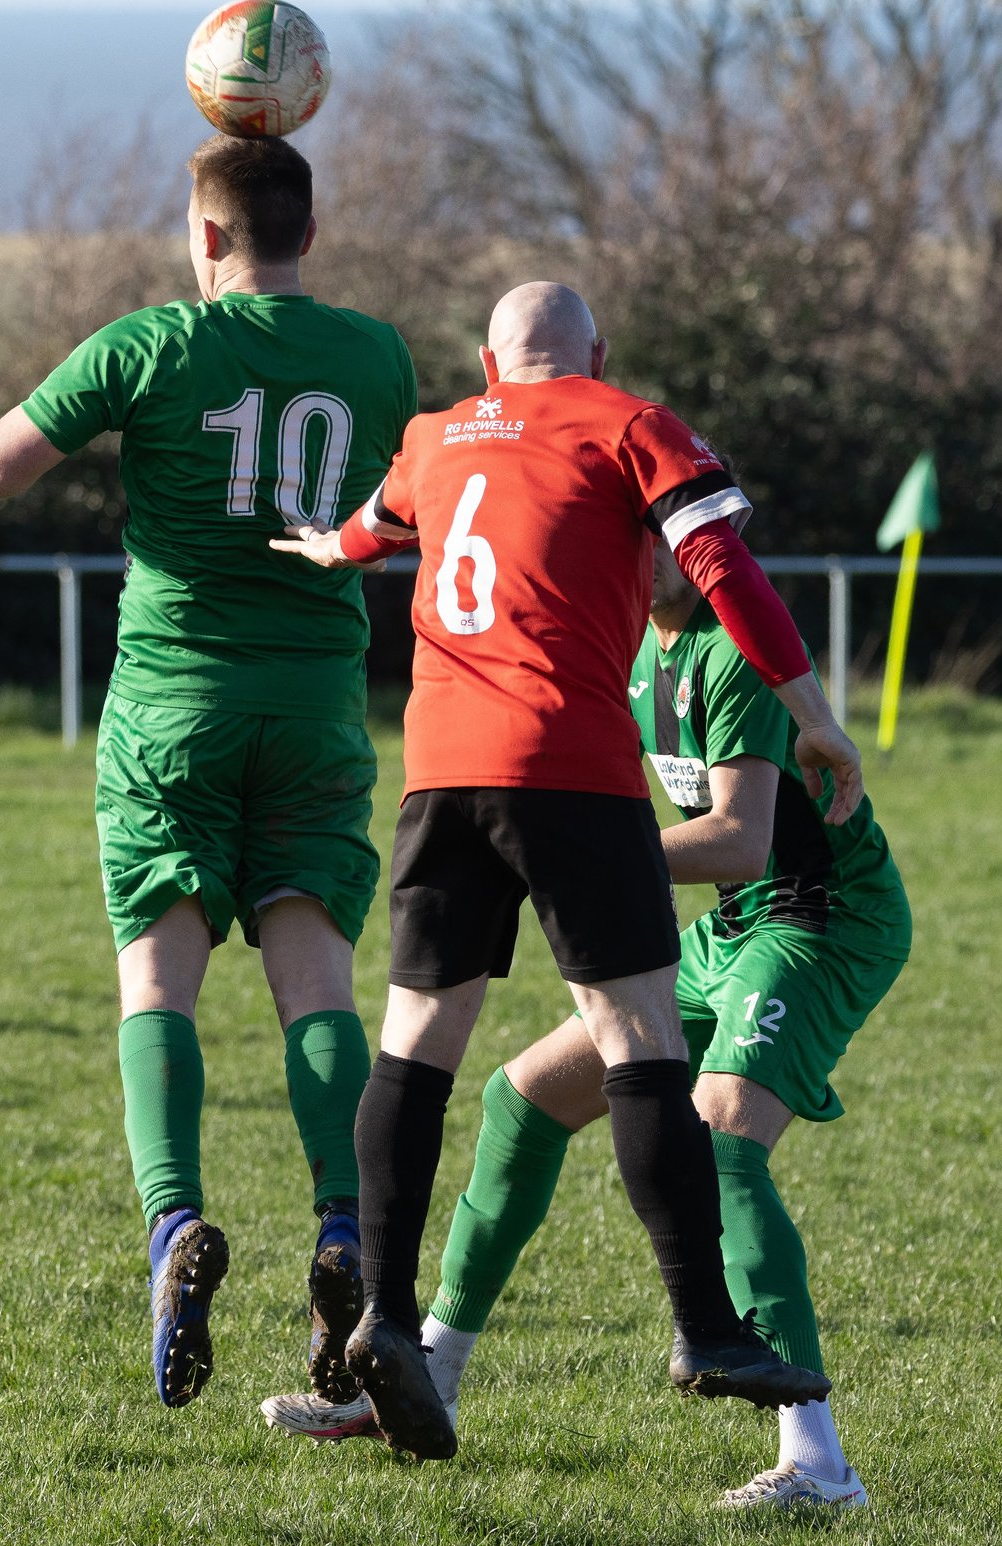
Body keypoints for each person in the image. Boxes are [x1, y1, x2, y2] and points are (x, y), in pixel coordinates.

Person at [269, 282, 862, 1460]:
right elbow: (722, 565)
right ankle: (705, 1327)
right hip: (568, 767)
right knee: (641, 1039)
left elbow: (373, 533)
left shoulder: (435, 438)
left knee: (413, 1045)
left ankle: (384, 1319)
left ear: (488, 363)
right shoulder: (628, 421)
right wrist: (814, 715)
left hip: (437, 771)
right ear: (594, 353)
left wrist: (318, 545)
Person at [0, 135, 417, 1409]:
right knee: (315, 983)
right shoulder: (376, 355)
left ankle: (175, 1230)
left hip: (173, 708)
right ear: (308, 235)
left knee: (155, 983)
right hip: (316, 709)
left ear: (203, 236)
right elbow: (404, 503)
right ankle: (341, 1227)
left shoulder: (149, 345)